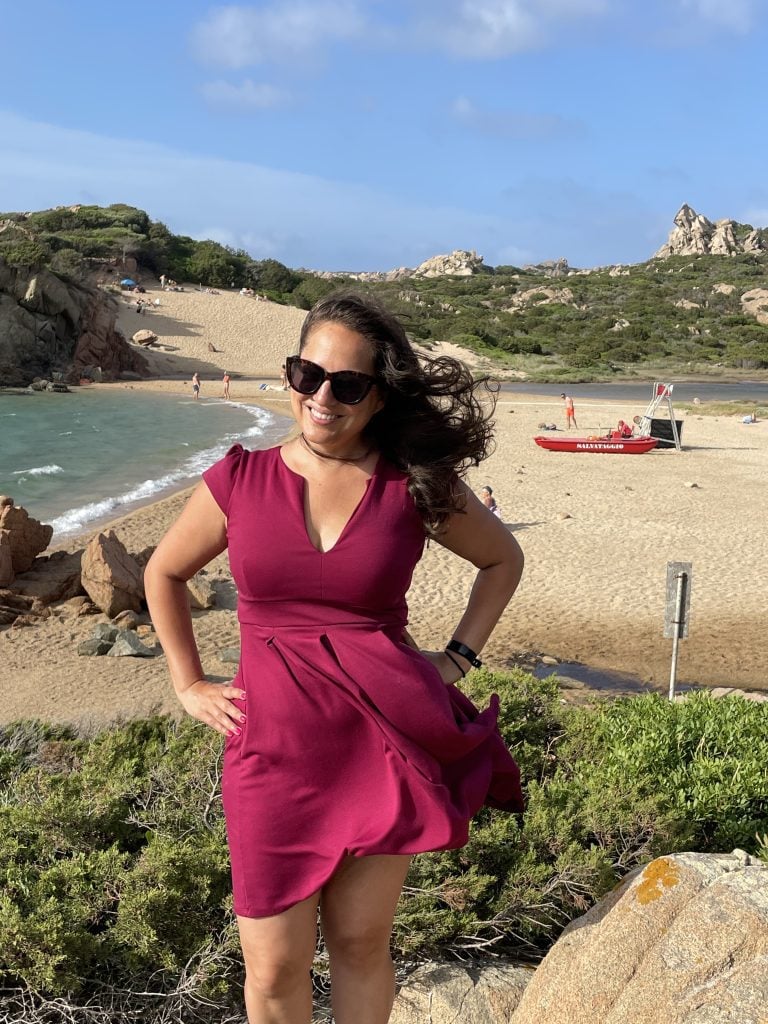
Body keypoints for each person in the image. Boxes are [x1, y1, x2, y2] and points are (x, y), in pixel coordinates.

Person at [144, 293, 524, 1024]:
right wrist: (188, 681)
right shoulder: (238, 480)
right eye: (306, 373)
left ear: (378, 396)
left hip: (383, 743)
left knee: (359, 943)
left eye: (347, 385)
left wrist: (457, 660)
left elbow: (502, 560)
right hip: (272, 754)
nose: (321, 397)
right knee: (274, 967)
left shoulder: (414, 483)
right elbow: (164, 573)